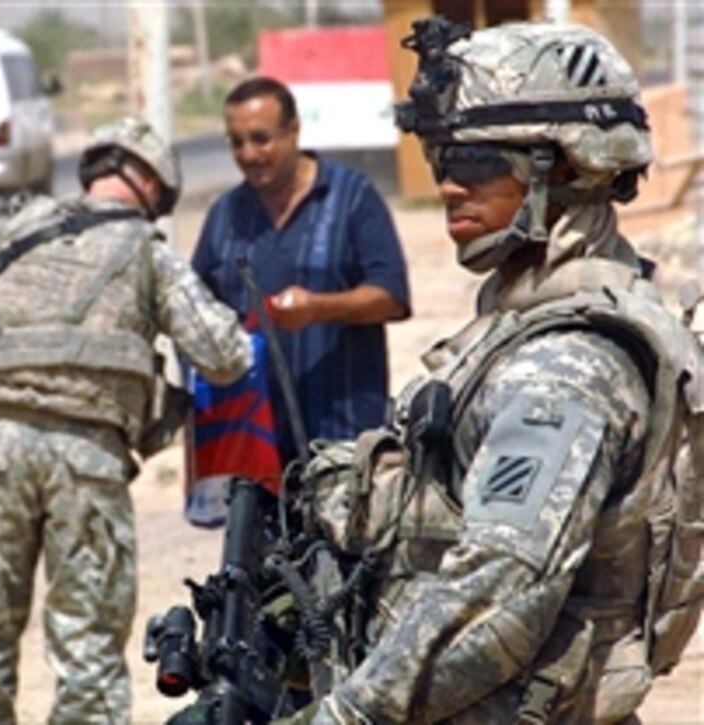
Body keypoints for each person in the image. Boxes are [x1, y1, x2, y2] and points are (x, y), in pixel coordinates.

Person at [284, 17, 704, 724]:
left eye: (476, 163)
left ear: (568, 168)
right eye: (440, 158)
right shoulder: (529, 320)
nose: (448, 186)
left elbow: (498, 590)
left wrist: (346, 714)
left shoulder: (566, 365)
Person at [0, 117, 253, 724]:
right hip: (85, 459)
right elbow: (224, 353)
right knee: (87, 649)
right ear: (153, 186)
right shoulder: (145, 250)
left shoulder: (11, 230)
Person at [192, 76, 411, 469]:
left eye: (261, 139)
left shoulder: (351, 197)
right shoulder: (225, 215)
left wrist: (318, 308)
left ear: (294, 131)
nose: (249, 154)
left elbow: (391, 297)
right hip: (254, 450)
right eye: (237, 142)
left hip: (343, 442)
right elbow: (195, 309)